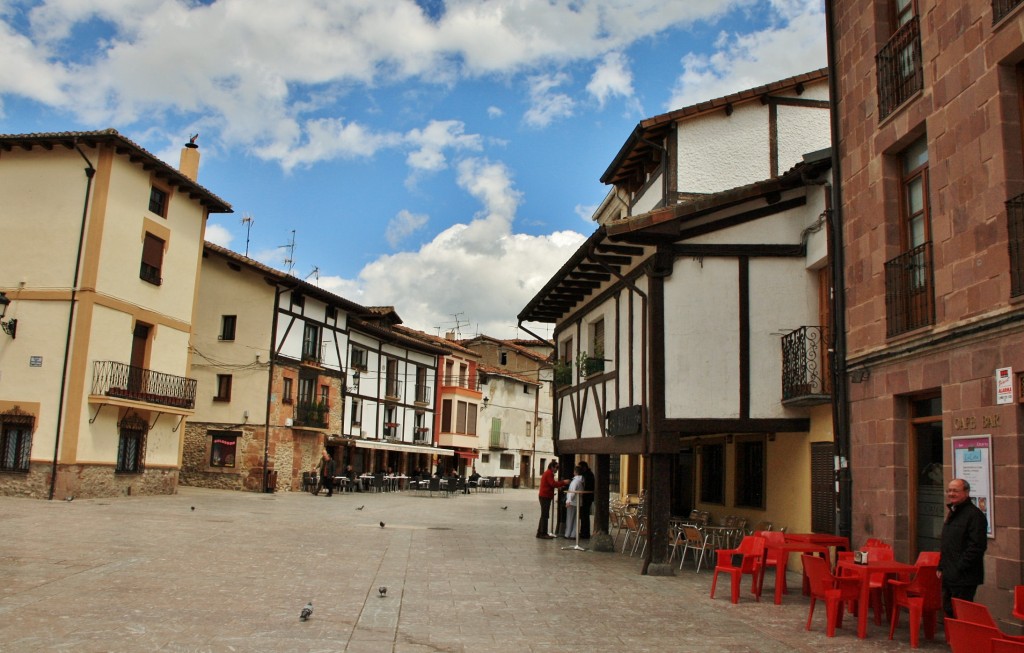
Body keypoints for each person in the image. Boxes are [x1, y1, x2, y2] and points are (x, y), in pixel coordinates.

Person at [939, 478, 987, 616]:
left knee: (961, 613)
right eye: (949, 490)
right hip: (950, 574)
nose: (951, 494)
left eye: (956, 491)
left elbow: (977, 546)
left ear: (966, 493)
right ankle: (952, 638)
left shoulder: (974, 515)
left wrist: (959, 567)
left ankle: (961, 638)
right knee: (949, 609)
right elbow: (947, 543)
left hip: (964, 576)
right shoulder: (954, 513)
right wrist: (941, 565)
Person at [537, 461, 570, 539]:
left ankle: (540, 532)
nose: (557, 469)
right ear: (552, 467)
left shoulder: (548, 473)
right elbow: (553, 484)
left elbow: (551, 484)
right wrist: (563, 482)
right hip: (545, 496)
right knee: (545, 515)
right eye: (557, 467)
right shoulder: (549, 473)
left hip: (544, 496)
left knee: (544, 514)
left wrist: (558, 485)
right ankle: (543, 533)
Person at [564, 465, 584, 539]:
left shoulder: (575, 481)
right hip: (578, 503)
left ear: (575, 472)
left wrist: (568, 501)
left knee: (570, 519)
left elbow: (572, 492)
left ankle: (567, 534)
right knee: (576, 519)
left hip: (572, 502)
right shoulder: (581, 481)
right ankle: (574, 534)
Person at [578, 460, 595, 539]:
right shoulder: (587, 474)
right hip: (586, 498)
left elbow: (586, 486)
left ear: (584, 468)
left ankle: (585, 533)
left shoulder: (588, 475)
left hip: (586, 498)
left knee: (585, 515)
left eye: (580, 468)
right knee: (584, 516)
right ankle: (583, 532)